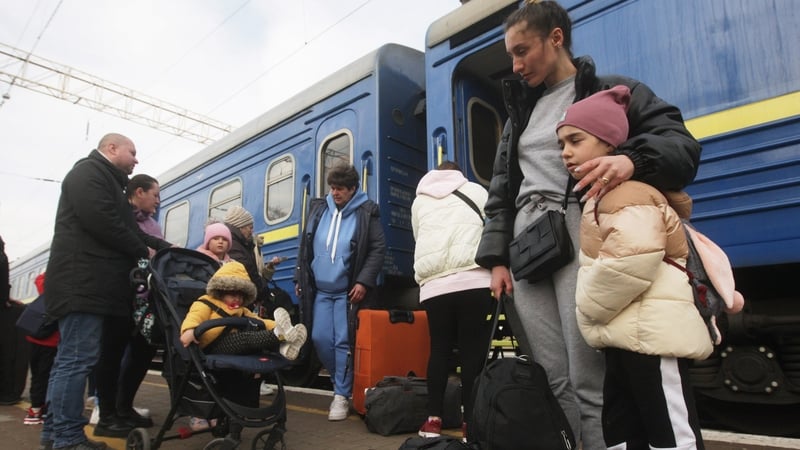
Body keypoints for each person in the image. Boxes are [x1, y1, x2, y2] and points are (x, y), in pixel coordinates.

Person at [474, 2, 702, 447]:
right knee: (553, 376)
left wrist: (629, 160)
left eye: (523, 51)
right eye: (512, 56)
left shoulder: (612, 89)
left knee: (589, 377)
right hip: (527, 247)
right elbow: (502, 189)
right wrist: (496, 259)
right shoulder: (521, 112)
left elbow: (680, 146)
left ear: (555, 38)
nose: (516, 66)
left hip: (581, 233)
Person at [556, 85, 711, 448]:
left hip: (653, 335)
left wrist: (587, 309)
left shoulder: (628, 194)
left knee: (667, 431)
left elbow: (631, 260)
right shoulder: (604, 196)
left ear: (610, 143)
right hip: (631, 333)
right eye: (561, 144)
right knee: (635, 427)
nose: (565, 153)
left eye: (576, 140)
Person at [41, 133, 172, 450]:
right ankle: (68, 439)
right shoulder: (88, 173)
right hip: (82, 284)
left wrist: (166, 248)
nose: (137, 159)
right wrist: (144, 250)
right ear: (111, 148)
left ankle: (54, 434)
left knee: (71, 361)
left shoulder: (107, 182)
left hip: (90, 285)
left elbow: (125, 227)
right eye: (133, 152)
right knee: (76, 361)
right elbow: (103, 222)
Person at [295, 164, 386, 421]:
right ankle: (341, 383)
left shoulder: (367, 212)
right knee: (319, 338)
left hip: (348, 292)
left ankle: (340, 396)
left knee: (343, 343)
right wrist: (298, 276)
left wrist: (363, 282)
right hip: (321, 291)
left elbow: (377, 249)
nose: (335, 193)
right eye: (333, 188)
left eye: (341, 189)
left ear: (353, 189)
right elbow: (305, 245)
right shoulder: (318, 209)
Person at [411, 162, 494, 440]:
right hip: (474, 281)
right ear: (460, 175)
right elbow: (491, 229)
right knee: (472, 353)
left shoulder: (419, 202)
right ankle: (471, 424)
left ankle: (433, 421)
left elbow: (418, 237)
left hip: (436, 287)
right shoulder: (476, 190)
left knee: (440, 351)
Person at [179, 261, 307, 431]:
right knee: (247, 338)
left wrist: (274, 324)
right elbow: (194, 317)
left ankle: (284, 341)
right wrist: (189, 330)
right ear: (220, 290)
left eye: (241, 295)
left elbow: (259, 321)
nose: (237, 299)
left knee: (254, 337)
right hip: (213, 346)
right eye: (233, 294)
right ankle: (280, 335)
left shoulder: (241, 310)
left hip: (234, 348)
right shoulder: (206, 303)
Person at [101, 174, 164, 430]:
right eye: (155, 194)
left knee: (143, 351)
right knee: (112, 353)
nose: (158, 201)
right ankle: (108, 411)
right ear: (139, 192)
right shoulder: (119, 216)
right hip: (120, 295)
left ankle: (125, 406)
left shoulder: (154, 227)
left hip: (146, 300)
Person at [222, 205, 283, 396]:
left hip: (247, 299)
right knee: (249, 335)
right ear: (239, 227)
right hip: (244, 300)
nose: (251, 230)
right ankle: (253, 376)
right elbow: (251, 276)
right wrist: (263, 293)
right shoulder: (239, 248)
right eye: (248, 226)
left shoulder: (242, 245)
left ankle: (255, 375)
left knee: (254, 331)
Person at [24, 273, 58, 425]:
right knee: (46, 375)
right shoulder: (64, 285)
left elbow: (39, 280)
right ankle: (38, 409)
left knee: (37, 374)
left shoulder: (45, 280)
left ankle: (36, 407)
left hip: (35, 335)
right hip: (52, 340)